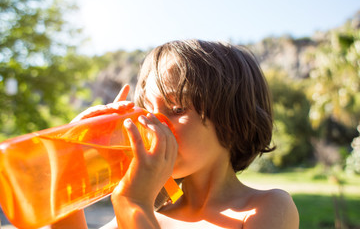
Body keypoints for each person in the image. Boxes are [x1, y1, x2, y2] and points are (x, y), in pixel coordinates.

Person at [51, 39, 299, 229]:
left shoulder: (267, 207)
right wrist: (69, 163)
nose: (152, 123)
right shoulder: (151, 211)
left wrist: (133, 204)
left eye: (176, 108)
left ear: (232, 120)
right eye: (146, 110)